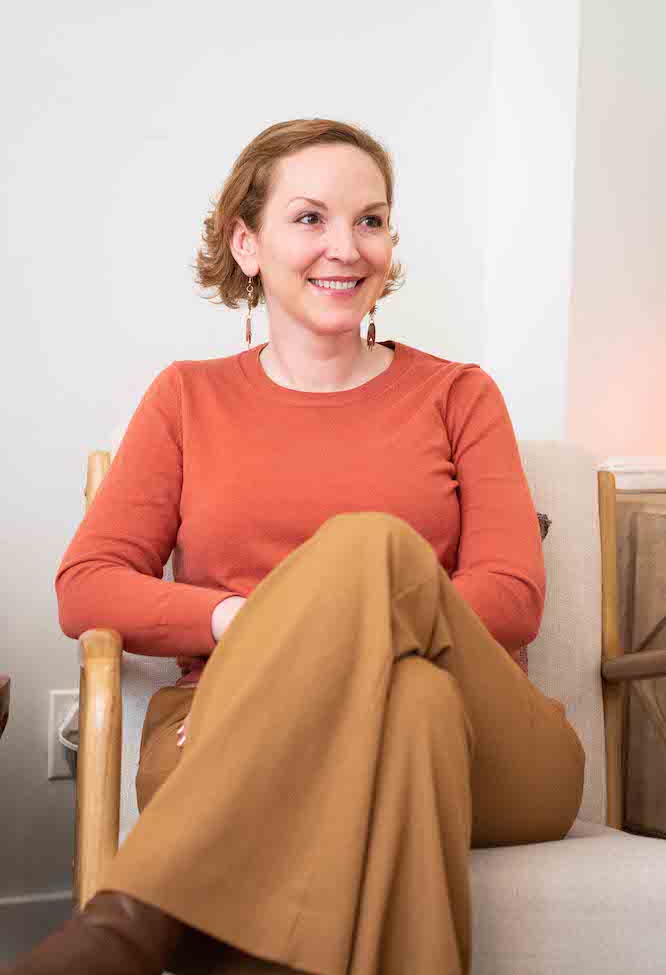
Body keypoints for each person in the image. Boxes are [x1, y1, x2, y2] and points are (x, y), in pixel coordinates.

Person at [6, 118, 585, 975]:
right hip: (230, 727)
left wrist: (329, 611)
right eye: (310, 218)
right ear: (247, 243)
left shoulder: (460, 396)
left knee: (373, 557)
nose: (345, 247)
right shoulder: (185, 400)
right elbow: (87, 586)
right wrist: (244, 624)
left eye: (371, 220)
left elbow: (510, 595)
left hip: (494, 744)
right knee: (411, 706)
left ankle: (127, 929)